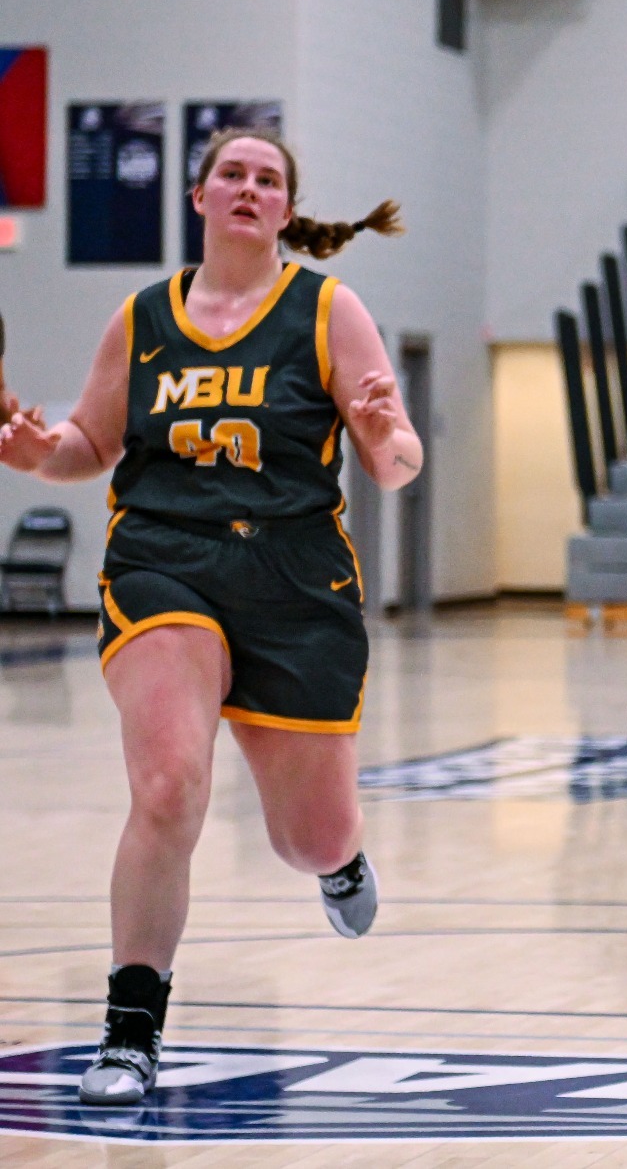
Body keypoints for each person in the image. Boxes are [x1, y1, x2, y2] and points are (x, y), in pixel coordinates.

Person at [0, 129, 417, 1106]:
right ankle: (130, 1030)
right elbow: (88, 444)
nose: (248, 187)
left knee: (307, 838)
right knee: (170, 784)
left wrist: (387, 431)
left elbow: (395, 465)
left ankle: (339, 858)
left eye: (267, 178)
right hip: (165, 564)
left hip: (294, 577)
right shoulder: (143, 319)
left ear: (285, 210)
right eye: (231, 172)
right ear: (199, 197)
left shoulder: (327, 309)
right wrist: (33, 452)